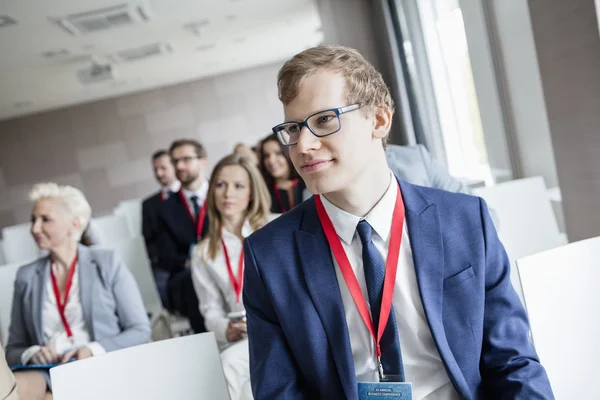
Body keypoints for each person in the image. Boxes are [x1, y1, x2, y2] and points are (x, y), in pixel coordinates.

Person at [242, 46, 553, 399]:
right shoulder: (268, 256)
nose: (303, 145)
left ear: (379, 120)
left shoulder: (465, 220)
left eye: (324, 120)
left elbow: (513, 363)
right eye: (294, 128)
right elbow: (279, 393)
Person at [6, 183, 150, 400]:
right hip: (49, 369)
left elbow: (140, 329)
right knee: (9, 390)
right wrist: (32, 352)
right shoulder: (26, 277)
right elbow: (13, 348)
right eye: (33, 219)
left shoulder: (107, 263)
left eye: (45, 219)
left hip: (97, 363)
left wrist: (93, 349)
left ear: (74, 223)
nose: (34, 229)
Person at [191, 153, 271, 400]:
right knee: (229, 371)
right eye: (220, 185)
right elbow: (210, 311)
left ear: (251, 193)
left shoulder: (275, 230)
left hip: (280, 329)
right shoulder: (204, 252)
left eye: (238, 186)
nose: (228, 194)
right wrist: (227, 329)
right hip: (241, 338)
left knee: (230, 367)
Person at [155, 139, 209, 333]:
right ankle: (207, 340)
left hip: (224, 261)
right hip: (186, 272)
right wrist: (193, 261)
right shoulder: (165, 208)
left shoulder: (222, 194)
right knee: (192, 281)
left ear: (203, 161)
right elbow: (165, 255)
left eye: (185, 159)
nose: (179, 166)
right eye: (175, 161)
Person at [142, 149, 181, 308]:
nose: (159, 173)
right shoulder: (149, 205)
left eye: (163, 168)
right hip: (166, 264)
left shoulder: (190, 196)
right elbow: (148, 239)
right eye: (155, 170)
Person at [258, 134, 307, 214]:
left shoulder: (307, 183)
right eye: (266, 156)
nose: (271, 160)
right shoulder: (264, 191)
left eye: (278, 153)